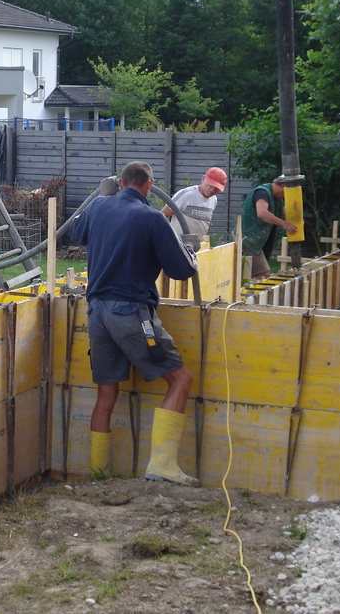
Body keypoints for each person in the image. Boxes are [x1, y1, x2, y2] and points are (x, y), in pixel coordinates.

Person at [69, 161, 200, 485]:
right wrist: (190, 250)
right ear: (148, 185)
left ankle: (98, 474)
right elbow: (183, 270)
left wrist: (102, 194)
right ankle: (163, 465)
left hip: (96, 312)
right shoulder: (152, 217)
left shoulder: (100, 206)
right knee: (180, 380)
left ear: (121, 183)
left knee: (107, 393)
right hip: (130, 314)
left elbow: (74, 232)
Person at [240, 176, 298, 280]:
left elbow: (284, 215)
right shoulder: (262, 192)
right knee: (263, 273)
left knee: (252, 274)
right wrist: (284, 224)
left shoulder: (277, 200)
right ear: (283, 186)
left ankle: (247, 291)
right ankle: (249, 294)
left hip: (258, 242)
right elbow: (262, 213)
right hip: (248, 240)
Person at [161, 166, 228, 244]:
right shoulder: (186, 195)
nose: (212, 190)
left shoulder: (214, 200)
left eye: (216, 188)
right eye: (210, 185)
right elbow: (161, 215)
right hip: (177, 245)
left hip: (196, 246)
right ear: (203, 179)